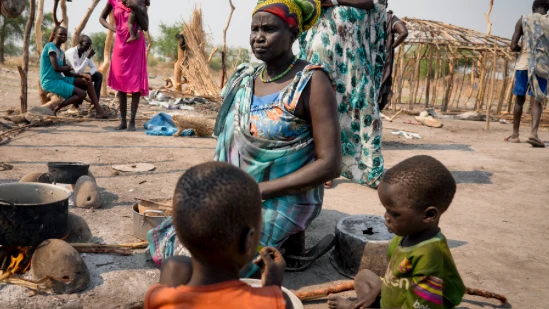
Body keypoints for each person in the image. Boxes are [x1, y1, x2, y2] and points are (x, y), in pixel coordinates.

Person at [214, 0, 341, 274]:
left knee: (223, 264)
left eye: (269, 29)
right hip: (239, 192)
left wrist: (258, 191)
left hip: (284, 197)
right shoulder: (246, 79)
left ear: (293, 34)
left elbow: (330, 165)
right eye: (254, 29)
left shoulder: (311, 81)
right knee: (188, 239)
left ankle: (287, 238)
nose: (258, 37)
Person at [144, 162, 292, 309]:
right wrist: (273, 289)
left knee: (175, 264)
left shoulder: (157, 298)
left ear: (179, 236)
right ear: (248, 240)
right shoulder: (277, 302)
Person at [328, 155, 466, 309]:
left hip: (416, 305)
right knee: (363, 277)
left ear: (429, 215)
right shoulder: (403, 238)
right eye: (386, 210)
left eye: (394, 214)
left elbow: (424, 305)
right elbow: (393, 275)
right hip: (397, 295)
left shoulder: (429, 255)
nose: (386, 217)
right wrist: (373, 294)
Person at [299, 0, 387, 189]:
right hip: (321, 45)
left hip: (351, 49)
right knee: (319, 106)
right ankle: (323, 168)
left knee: (364, 104)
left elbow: (375, 3)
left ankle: (370, 169)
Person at [99, 0, 149, 131]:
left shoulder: (140, 1)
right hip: (120, 44)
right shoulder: (113, 1)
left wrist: (136, 8)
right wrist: (113, 28)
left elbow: (145, 26)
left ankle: (132, 121)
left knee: (136, 83)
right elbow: (101, 18)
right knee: (120, 82)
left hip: (136, 44)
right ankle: (123, 121)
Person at [506, 0, 549, 148]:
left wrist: (525, 49)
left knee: (519, 99)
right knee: (537, 100)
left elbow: (512, 46)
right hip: (541, 67)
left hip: (523, 65)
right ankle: (534, 134)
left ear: (533, 8)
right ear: (547, 10)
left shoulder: (524, 19)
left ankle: (515, 135)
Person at [40, 26, 108, 118]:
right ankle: (57, 108)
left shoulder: (61, 52)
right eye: (61, 34)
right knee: (82, 93)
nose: (63, 36)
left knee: (86, 80)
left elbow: (67, 73)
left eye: (65, 35)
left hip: (60, 78)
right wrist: (68, 67)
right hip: (50, 82)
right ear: (54, 34)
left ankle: (98, 110)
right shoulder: (50, 46)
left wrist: (81, 75)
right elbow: (56, 68)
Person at [379, 6, 408, 111]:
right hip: (382, 64)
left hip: (364, 64)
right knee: (378, 95)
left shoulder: (363, 16)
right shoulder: (389, 18)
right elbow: (404, 32)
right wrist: (391, 47)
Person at [65, 35, 103, 102]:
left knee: (98, 75)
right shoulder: (71, 52)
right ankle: (77, 104)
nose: (89, 47)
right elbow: (78, 71)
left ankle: (95, 102)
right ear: (80, 43)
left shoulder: (85, 53)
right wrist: (88, 57)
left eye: (90, 45)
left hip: (78, 75)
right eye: (87, 44)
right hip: (69, 76)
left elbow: (94, 67)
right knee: (84, 79)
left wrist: (88, 73)